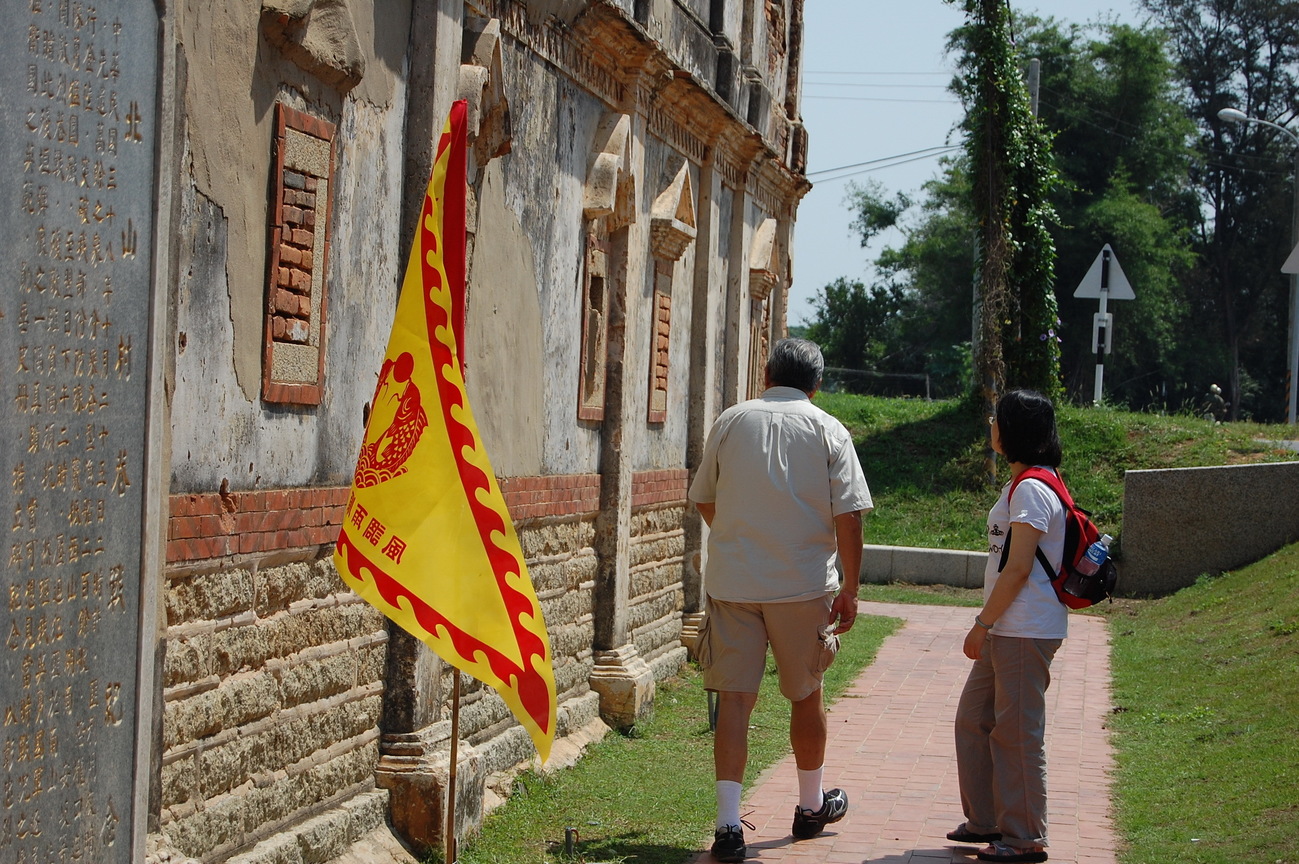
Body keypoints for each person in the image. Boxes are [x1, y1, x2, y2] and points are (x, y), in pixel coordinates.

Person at [688, 338, 873, 862]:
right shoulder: (828, 429)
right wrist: (852, 590)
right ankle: (811, 806)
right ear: (817, 384)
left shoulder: (730, 421)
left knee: (735, 701)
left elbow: (705, 496)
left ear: (765, 374)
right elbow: (850, 515)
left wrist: (740, 539)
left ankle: (728, 828)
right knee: (806, 693)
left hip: (734, 584)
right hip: (803, 583)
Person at [948, 389, 1067, 864]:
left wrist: (982, 623)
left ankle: (1024, 838)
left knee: (1017, 733)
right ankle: (988, 820)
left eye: (997, 420)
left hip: (1025, 628)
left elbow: (1018, 569)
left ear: (1014, 430)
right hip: (1009, 628)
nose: (991, 427)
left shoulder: (1035, 488)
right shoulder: (1021, 483)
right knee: (974, 720)